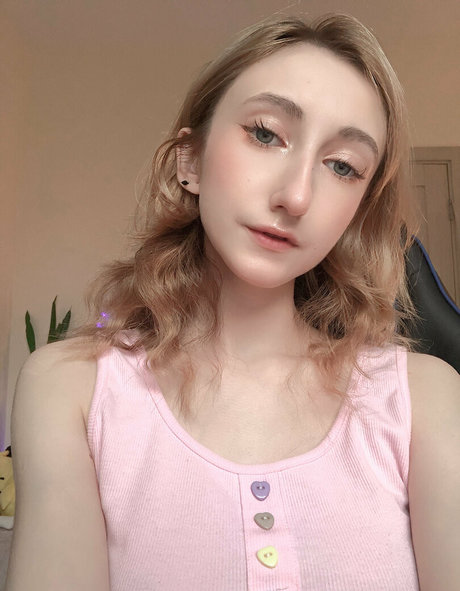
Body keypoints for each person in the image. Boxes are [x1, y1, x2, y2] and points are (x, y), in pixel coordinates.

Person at [6, 13, 460, 591]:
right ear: (190, 161)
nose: (297, 196)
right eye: (265, 134)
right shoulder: (69, 389)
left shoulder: (424, 399)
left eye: (343, 166)